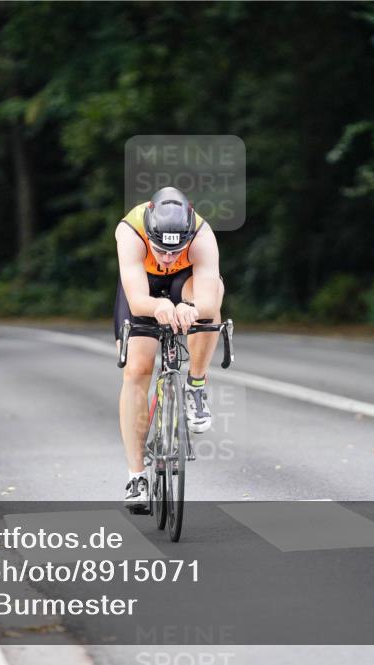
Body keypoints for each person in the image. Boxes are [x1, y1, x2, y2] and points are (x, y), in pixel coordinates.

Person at [114, 187, 224, 509]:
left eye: (176, 251)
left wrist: (194, 308)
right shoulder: (130, 231)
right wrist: (158, 305)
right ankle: (136, 476)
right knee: (138, 369)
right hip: (143, 289)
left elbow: (207, 295)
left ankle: (196, 386)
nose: (167, 257)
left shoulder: (202, 236)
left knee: (212, 301)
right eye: (160, 249)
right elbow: (136, 300)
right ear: (149, 233)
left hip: (184, 284)